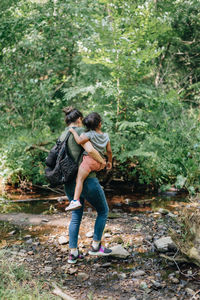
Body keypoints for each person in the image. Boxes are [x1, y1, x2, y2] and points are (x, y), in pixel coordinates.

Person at [61, 107, 112, 263]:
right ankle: (96, 246)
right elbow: (90, 150)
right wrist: (104, 161)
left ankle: (73, 253)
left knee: (76, 215)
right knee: (103, 210)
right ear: (78, 119)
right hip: (88, 179)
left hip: (69, 181)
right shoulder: (82, 131)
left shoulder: (63, 134)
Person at [65, 112, 112, 212]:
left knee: (79, 179)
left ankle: (75, 200)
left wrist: (73, 132)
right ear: (100, 124)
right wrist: (109, 162)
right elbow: (109, 151)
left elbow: (79, 141)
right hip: (99, 163)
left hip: (89, 162)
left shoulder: (89, 134)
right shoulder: (106, 136)